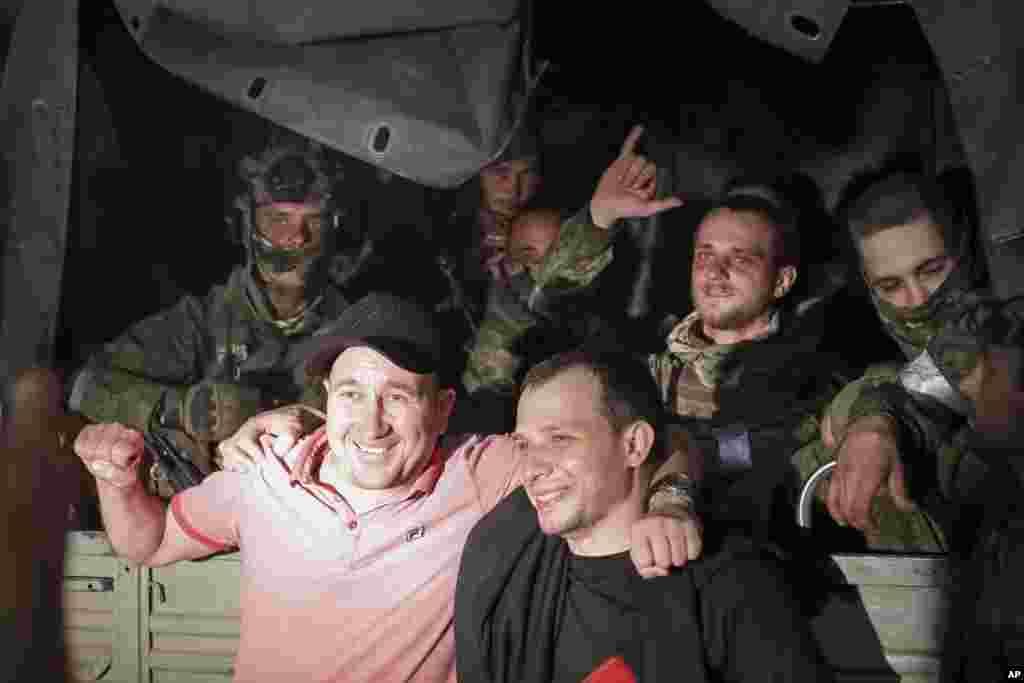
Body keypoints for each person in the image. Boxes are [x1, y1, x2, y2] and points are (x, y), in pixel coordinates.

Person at [74, 292, 702, 683]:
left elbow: (658, 443)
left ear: (444, 407)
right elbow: (148, 542)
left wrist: (672, 500)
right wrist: (118, 479)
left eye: (397, 397)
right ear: (326, 400)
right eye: (352, 395)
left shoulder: (479, 471)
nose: (370, 422)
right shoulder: (265, 470)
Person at [529, 148, 852, 541]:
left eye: (741, 259)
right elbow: (551, 306)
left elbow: (778, 445)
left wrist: (672, 461)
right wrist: (598, 221)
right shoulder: (645, 357)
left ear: (782, 281)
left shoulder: (814, 368)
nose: (716, 272)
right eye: (705, 256)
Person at [455, 349, 834, 683]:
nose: (533, 468)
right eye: (523, 444)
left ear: (634, 445)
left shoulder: (733, 585)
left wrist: (672, 498)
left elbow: (681, 440)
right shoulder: (501, 554)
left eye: (560, 439)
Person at [68, 132, 352, 493]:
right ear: (247, 226)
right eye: (278, 219)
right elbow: (84, 385)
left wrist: (261, 410)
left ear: (336, 227)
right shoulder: (203, 320)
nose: (297, 238)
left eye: (314, 220)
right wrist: (181, 410)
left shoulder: (356, 328)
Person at [798, 171, 1024, 551]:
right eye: (890, 286)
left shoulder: (1002, 318)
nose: (917, 298)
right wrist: (869, 420)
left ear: (965, 251)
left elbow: (958, 359)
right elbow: (916, 388)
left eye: (932, 270)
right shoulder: (851, 336)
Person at [462, 206, 617, 401]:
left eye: (554, 256)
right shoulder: (502, 317)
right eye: (529, 258)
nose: (541, 269)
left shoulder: (590, 314)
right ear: (507, 264)